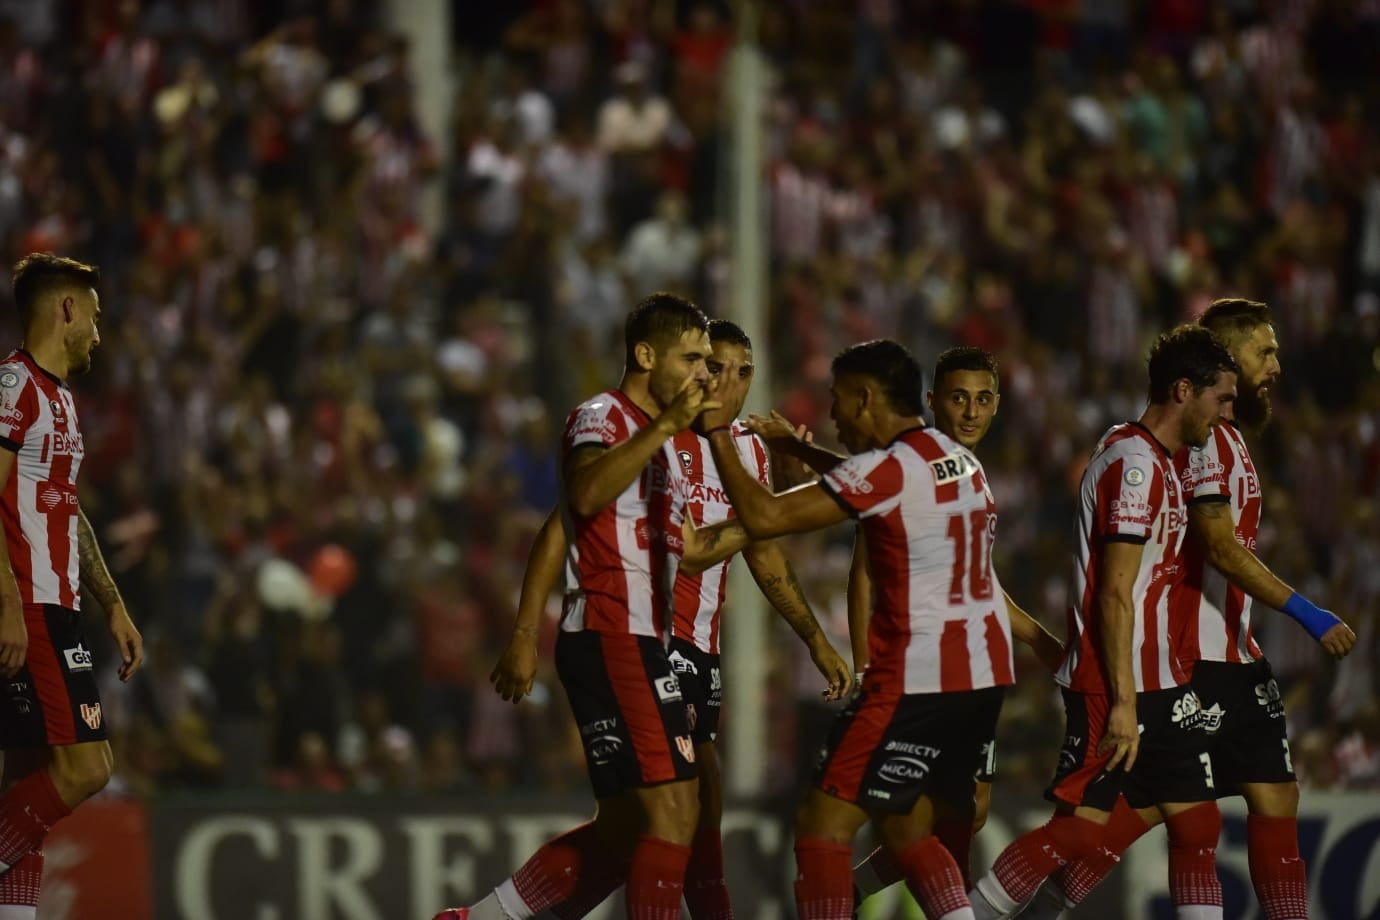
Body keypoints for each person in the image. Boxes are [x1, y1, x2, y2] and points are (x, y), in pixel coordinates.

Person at [483, 318, 851, 920]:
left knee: (653, 825)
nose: (726, 382)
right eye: (713, 366)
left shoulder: (748, 450)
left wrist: (813, 636)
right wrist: (525, 632)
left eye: (742, 372)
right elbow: (563, 525)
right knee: (686, 810)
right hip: (648, 638)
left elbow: (753, 551)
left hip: (695, 651)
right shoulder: (649, 432)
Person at [1020, 300, 1357, 920]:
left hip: (1232, 653)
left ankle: (1048, 903)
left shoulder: (1225, 438)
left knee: (1220, 806)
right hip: (1197, 657)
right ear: (1225, 360)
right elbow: (1220, 549)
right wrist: (1312, 615)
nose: (1275, 365)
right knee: (1172, 812)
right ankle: (1036, 903)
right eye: (1265, 351)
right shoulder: (1201, 444)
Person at [434, 292, 726, 920]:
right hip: (615, 630)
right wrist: (521, 633)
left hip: (636, 637)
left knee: (625, 830)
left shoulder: (664, 448)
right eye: (694, 357)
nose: (706, 371)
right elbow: (585, 494)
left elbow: (568, 529)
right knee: (676, 811)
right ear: (646, 355)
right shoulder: (603, 416)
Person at [702, 338, 1015, 920]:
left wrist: (720, 433)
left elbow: (768, 516)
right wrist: (816, 457)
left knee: (821, 825)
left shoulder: (891, 470)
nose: (834, 414)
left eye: (839, 400)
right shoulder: (958, 458)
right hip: (980, 677)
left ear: (867, 398)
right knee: (906, 829)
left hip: (916, 678)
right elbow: (882, 485)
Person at [965, 324, 1240, 920]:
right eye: (1222, 399)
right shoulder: (1136, 465)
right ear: (1183, 390)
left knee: (1197, 822)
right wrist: (1121, 700)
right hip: (1116, 681)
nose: (1227, 414)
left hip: (1162, 682)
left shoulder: (1152, 456)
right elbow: (1115, 592)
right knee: (1077, 834)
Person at [0, 254, 143, 920]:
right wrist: (6, 601)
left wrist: (112, 601)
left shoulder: (59, 399)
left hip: (60, 600)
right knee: (88, 769)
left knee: (26, 782)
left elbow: (67, 506)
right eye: (94, 314)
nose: (97, 330)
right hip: (28, 603)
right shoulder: (13, 385)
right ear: (65, 309)